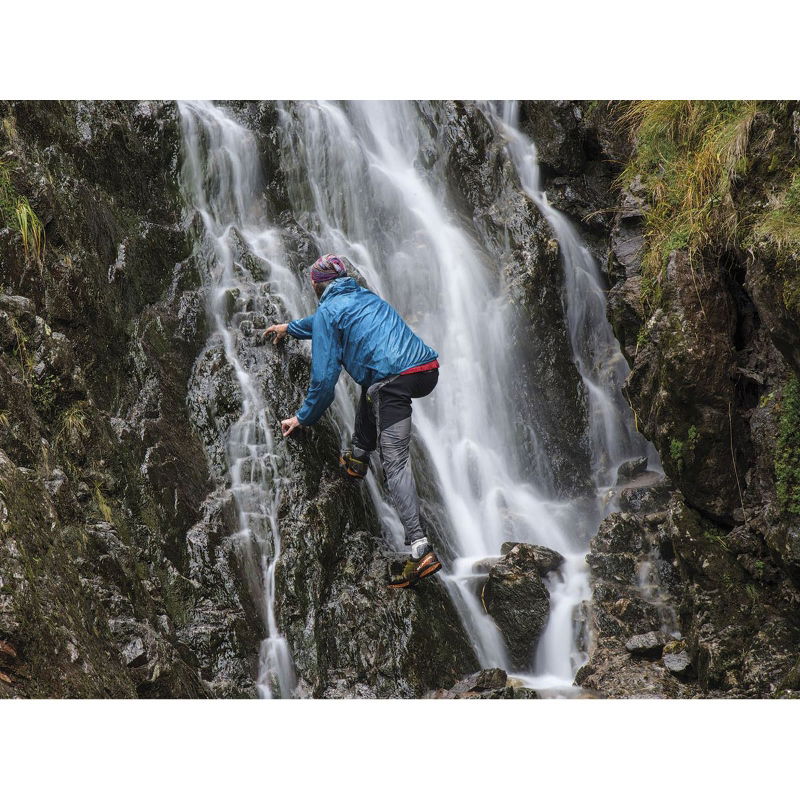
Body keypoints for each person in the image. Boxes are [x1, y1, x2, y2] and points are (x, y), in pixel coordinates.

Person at [265, 254, 441, 589]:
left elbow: (324, 381)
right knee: (370, 385)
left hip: (395, 379)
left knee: (395, 462)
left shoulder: (331, 311)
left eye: (313, 282)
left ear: (318, 284)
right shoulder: (363, 297)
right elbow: (321, 323)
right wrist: (290, 328)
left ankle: (420, 548)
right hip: (425, 369)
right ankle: (358, 457)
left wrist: (303, 418)